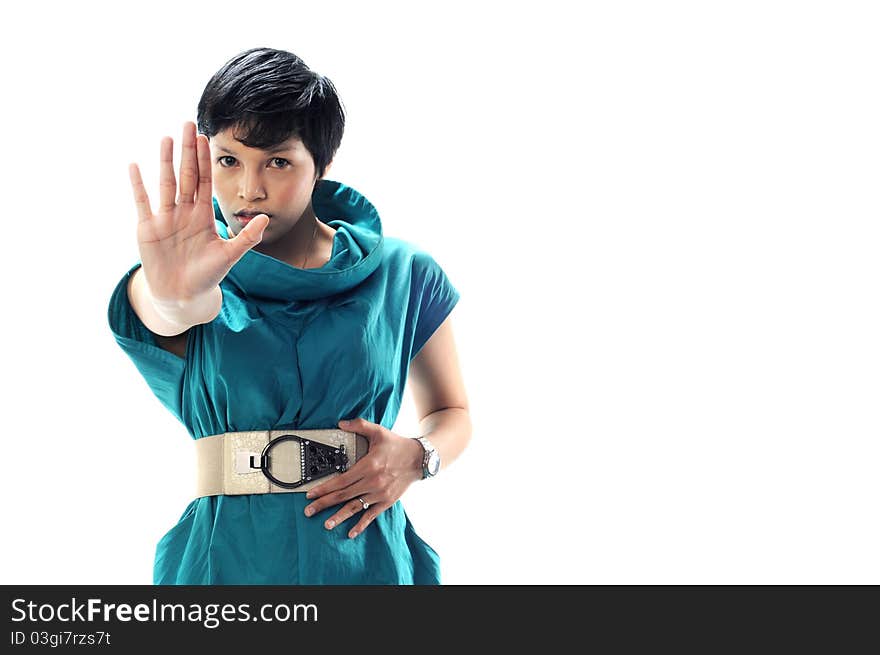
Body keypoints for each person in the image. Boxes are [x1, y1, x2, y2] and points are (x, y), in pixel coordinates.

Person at [107, 47, 471, 584]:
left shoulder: (404, 272)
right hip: (224, 565)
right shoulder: (185, 273)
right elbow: (171, 310)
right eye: (228, 160)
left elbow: (452, 410)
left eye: (277, 161)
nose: (248, 190)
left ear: (321, 164)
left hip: (366, 554)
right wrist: (173, 296)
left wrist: (419, 457)